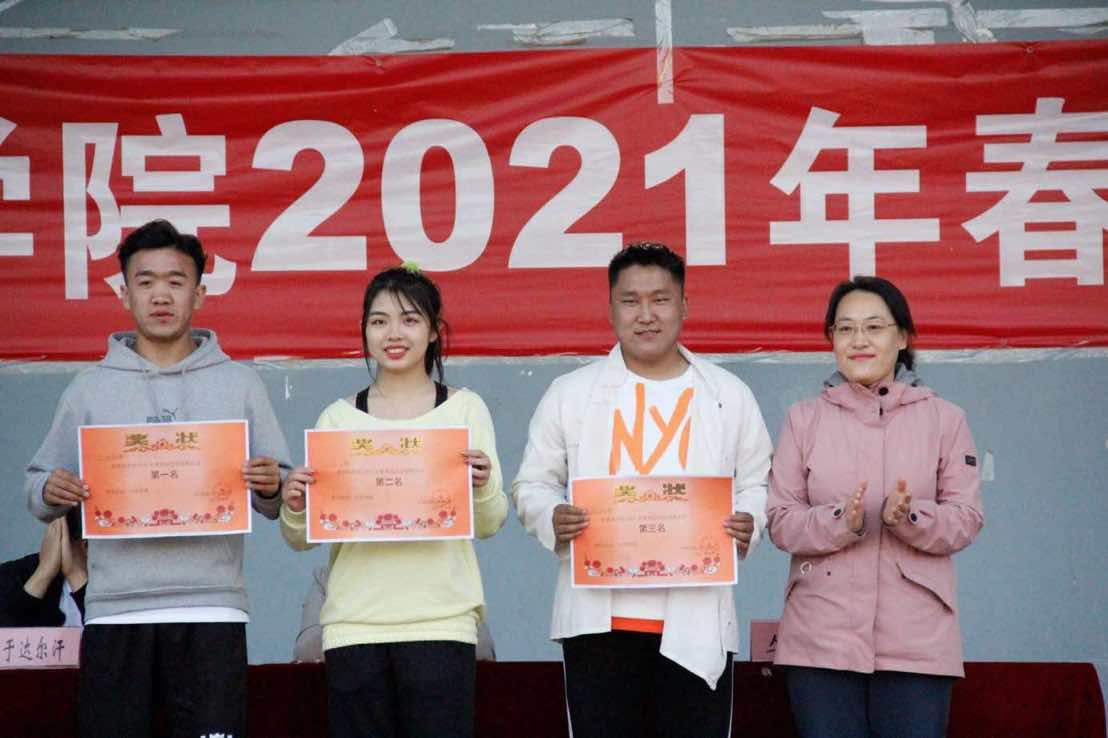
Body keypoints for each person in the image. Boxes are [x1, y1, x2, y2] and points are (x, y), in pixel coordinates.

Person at [25, 219, 292, 737]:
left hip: (212, 607)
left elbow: (277, 492)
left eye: (176, 280)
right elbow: (37, 487)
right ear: (125, 294)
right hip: (115, 610)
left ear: (200, 293)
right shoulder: (89, 389)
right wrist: (50, 490)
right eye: (145, 282)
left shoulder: (239, 384)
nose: (161, 295)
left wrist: (270, 484)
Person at [512, 242, 772, 738]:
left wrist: (749, 521)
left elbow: (757, 482)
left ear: (684, 306)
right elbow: (533, 483)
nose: (646, 315)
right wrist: (552, 515)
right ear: (610, 308)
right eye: (630, 301)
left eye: (661, 299)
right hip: (599, 623)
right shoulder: (571, 393)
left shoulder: (727, 394)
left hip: (697, 618)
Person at [280, 265, 508, 738]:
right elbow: (301, 539)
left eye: (409, 319)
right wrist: (296, 505)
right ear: (364, 331)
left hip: (442, 624)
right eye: (379, 321)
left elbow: (489, 523)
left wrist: (483, 485)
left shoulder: (465, 410)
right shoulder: (337, 418)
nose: (394, 334)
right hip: (355, 626)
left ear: (434, 330)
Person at [766, 276, 984, 738]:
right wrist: (840, 520)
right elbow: (780, 520)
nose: (858, 340)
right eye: (845, 329)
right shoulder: (803, 419)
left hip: (917, 640)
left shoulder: (945, 419)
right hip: (820, 638)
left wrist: (910, 517)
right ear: (832, 340)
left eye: (873, 327)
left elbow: (966, 519)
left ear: (902, 337)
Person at [0, 508, 87, 627]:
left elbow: (110, 636)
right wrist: (43, 574)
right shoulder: (13, 575)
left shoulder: (113, 580)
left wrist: (76, 575)